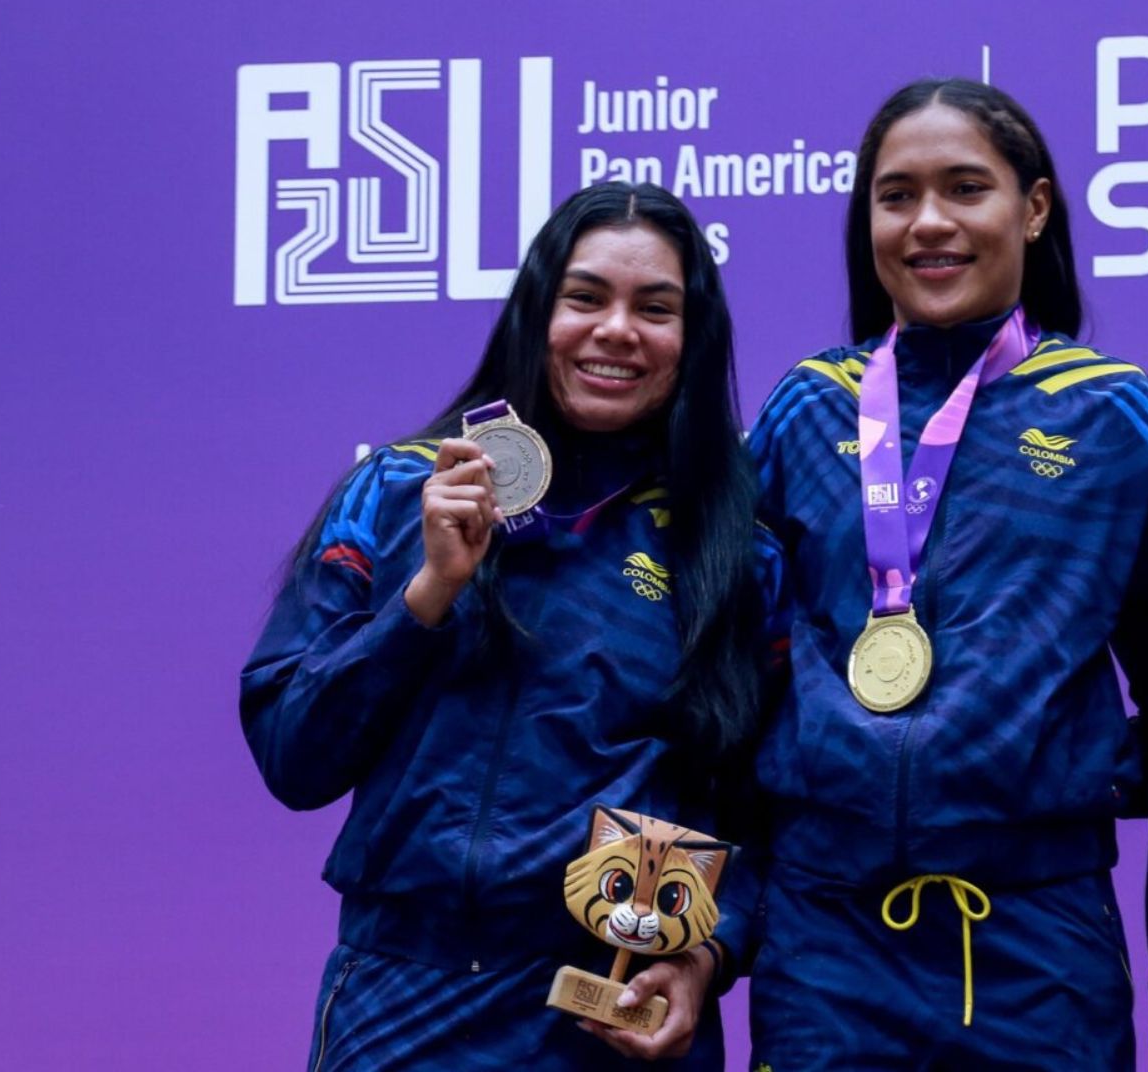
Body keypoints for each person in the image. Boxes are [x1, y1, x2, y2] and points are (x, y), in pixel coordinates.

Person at [241, 182, 762, 1069]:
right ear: (537, 313)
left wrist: (709, 955)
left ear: (692, 338)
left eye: (657, 308)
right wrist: (429, 594)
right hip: (404, 998)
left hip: (613, 1006)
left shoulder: (734, 548)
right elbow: (296, 755)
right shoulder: (400, 490)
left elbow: (773, 803)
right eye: (585, 297)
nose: (617, 331)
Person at [744, 78, 1148, 1069]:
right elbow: (725, 665)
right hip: (825, 943)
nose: (929, 223)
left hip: (1036, 944)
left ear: (1034, 210)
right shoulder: (808, 406)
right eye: (896, 195)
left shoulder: (1110, 416)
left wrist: (1076, 768)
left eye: (965, 189)